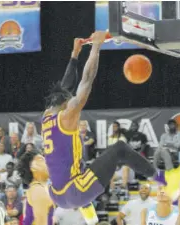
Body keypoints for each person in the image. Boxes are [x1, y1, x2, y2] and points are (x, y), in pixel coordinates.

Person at [41, 31, 156, 224]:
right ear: (66, 103)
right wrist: (96, 46)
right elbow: (87, 79)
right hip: (74, 192)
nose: (72, 102)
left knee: (81, 166)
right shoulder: (69, 114)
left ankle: (92, 220)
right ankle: (161, 178)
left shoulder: (46, 115)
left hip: (56, 195)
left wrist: (74, 55)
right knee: (119, 149)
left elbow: (64, 87)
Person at [17, 151, 54, 225]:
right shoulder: (38, 190)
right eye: (41, 160)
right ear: (33, 168)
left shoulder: (38, 188)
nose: (46, 161)